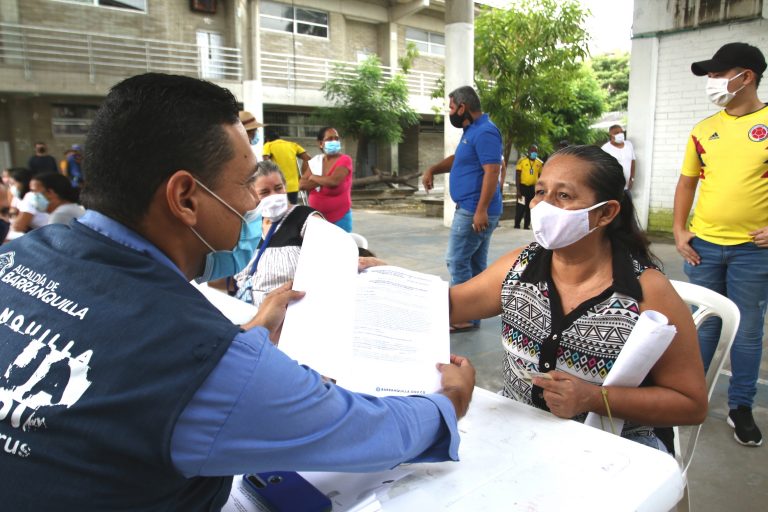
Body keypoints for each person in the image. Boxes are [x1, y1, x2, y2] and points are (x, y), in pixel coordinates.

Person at [0, 73, 475, 510]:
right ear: (185, 197)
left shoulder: (15, 257)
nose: (255, 203)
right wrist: (446, 407)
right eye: (247, 184)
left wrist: (250, 333)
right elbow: (365, 431)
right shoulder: (196, 355)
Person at [450, 145, 708, 452]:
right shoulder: (520, 266)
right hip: (517, 430)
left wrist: (593, 398)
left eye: (564, 196)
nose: (544, 206)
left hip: (611, 447)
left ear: (606, 212)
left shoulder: (646, 293)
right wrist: (388, 281)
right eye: (541, 191)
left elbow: (691, 404)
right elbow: (450, 305)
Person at [673, 42, 768, 447]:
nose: (711, 82)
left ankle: (740, 407)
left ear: (745, 76)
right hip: (704, 248)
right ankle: (689, 397)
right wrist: (679, 230)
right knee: (702, 324)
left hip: (754, 253)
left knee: (746, 332)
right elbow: (687, 182)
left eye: (717, 74)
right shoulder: (703, 130)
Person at [422, 86, 503, 333]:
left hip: (473, 210)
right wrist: (432, 169)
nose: (450, 111)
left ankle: (464, 315)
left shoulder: (486, 131)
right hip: (473, 208)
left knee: (457, 261)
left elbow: (492, 171)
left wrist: (481, 210)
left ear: (462, 107)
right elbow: (458, 159)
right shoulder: (472, 130)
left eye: (450, 106)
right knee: (475, 263)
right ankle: (475, 313)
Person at [231, 160, 321, 307]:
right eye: (265, 192)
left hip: (292, 311)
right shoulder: (247, 226)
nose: (274, 196)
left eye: (278, 188)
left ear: (285, 187)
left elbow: (332, 254)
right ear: (252, 195)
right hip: (249, 310)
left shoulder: (305, 217)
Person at [300, 126, 354, 232]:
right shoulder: (316, 161)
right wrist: (324, 181)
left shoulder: (345, 160)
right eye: (329, 139)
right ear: (321, 143)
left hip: (340, 218)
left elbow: (334, 182)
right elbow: (301, 184)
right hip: (317, 219)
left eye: (336, 138)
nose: (334, 141)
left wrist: (313, 177)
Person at [262, 129, 311, 205]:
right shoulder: (292, 145)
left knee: (279, 212)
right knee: (291, 210)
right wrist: (303, 176)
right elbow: (307, 158)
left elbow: (265, 159)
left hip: (278, 186)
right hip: (294, 186)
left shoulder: (268, 145)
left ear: (267, 139)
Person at [7, 167, 49, 234]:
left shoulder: (31, 196)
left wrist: (17, 219)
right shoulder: (18, 196)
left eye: (13, 184)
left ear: (23, 183)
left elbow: (18, 226)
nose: (11, 187)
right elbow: (12, 212)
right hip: (38, 231)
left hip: (47, 232)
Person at [514, 145, 543, 230]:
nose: (534, 153)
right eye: (532, 151)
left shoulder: (539, 163)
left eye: (536, 151)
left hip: (532, 189)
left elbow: (540, 176)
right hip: (522, 188)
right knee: (520, 206)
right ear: (529, 151)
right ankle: (517, 224)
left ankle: (526, 225)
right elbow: (518, 175)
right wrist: (518, 190)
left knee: (530, 207)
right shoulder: (522, 161)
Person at [600, 125, 636, 192]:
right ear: (610, 135)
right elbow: (602, 168)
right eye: (616, 133)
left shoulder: (629, 145)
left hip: (626, 188)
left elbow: (632, 162)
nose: (620, 134)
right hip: (612, 188)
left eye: (621, 132)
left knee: (628, 201)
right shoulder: (605, 148)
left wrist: (632, 178)